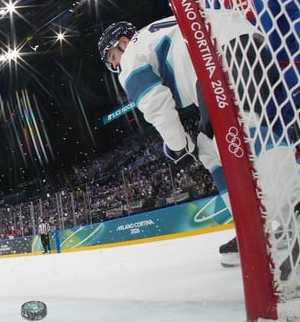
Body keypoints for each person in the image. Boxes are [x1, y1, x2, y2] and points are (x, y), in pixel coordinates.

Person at [98, 15, 299, 269]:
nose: (116, 66)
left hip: (216, 59)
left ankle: (287, 214)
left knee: (245, 130)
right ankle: (253, 225)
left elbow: (155, 104)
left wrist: (177, 145)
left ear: (123, 42)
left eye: (113, 58)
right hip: (249, 42)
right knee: (220, 145)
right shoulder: (157, 31)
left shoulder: (132, 54)